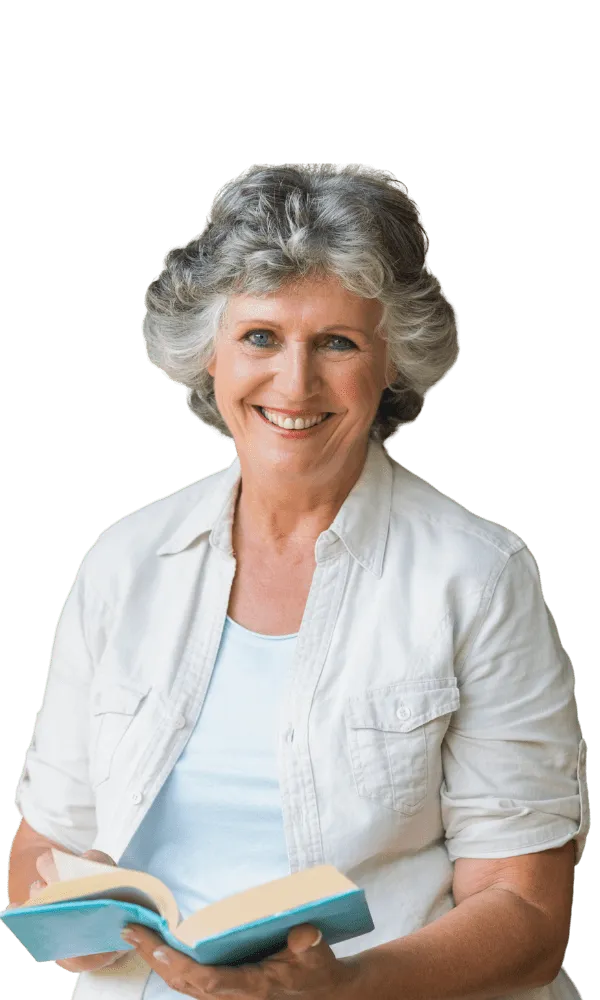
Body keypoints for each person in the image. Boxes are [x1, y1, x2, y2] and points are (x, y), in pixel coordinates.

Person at [7, 162, 590, 1000]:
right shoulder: (122, 563)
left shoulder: (479, 577)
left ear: (393, 361)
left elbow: (527, 917)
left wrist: (340, 987)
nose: (295, 383)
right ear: (208, 353)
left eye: (338, 343)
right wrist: (84, 910)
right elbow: (41, 850)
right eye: (260, 337)